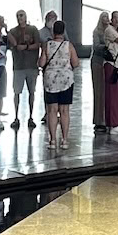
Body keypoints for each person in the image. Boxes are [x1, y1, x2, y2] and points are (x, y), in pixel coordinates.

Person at [39, 19, 79, 149]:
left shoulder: (47, 45)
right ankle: (65, 140)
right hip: (66, 81)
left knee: (52, 110)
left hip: (50, 81)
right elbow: (76, 63)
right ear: (63, 31)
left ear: (53, 31)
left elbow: (41, 63)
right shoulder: (69, 46)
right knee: (64, 111)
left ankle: (52, 141)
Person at [7, 9, 42, 131]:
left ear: (26, 16)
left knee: (32, 91)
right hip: (18, 66)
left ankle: (31, 117)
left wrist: (26, 47)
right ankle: (16, 117)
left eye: (21, 15)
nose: (19, 18)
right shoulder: (13, 31)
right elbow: (11, 45)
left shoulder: (33, 30)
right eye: (17, 16)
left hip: (31, 66)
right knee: (16, 92)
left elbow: (38, 44)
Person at [90, 8, 113, 133]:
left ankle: (108, 118)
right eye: (104, 17)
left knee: (107, 92)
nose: (106, 19)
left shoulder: (110, 30)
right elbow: (96, 46)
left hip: (108, 63)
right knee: (98, 92)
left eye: (107, 17)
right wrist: (108, 45)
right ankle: (99, 120)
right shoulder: (97, 31)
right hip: (98, 62)